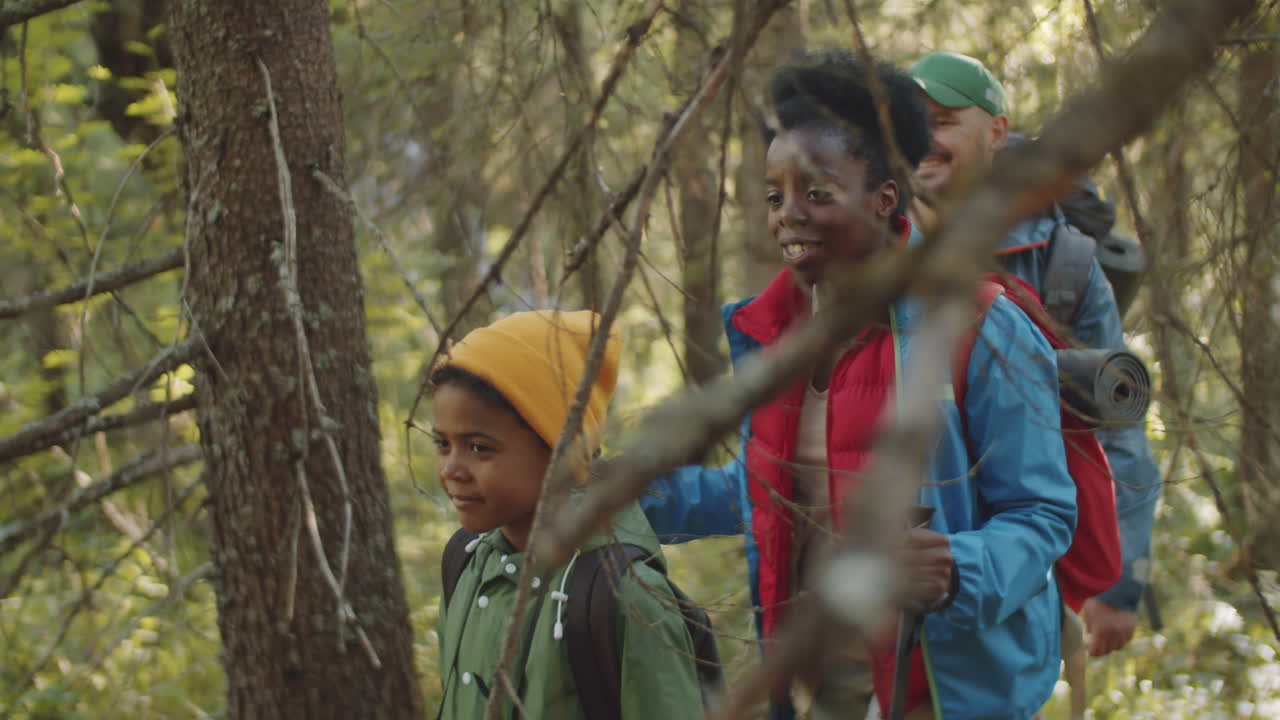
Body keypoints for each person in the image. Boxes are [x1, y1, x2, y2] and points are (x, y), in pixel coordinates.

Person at [641, 50, 1076, 720]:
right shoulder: (775, 336)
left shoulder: (979, 324)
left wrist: (959, 567)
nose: (787, 215)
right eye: (774, 196)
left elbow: (1043, 514)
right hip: (814, 690)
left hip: (944, 692)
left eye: (817, 192)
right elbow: (769, 490)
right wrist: (628, 496)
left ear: (883, 199)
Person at [907, 50, 1164, 656]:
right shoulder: (866, 241)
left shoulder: (1062, 264)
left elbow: (1117, 427)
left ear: (997, 132)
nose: (921, 140)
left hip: (1016, 574)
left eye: (942, 121)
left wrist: (1120, 583)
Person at [431, 310, 705, 720]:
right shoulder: (466, 563)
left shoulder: (627, 600)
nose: (451, 469)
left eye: (478, 448)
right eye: (442, 444)